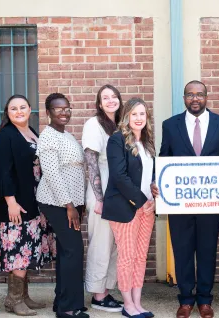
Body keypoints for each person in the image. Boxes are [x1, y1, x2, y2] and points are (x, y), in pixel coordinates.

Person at [151, 80, 219, 318]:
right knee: (181, 251)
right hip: (179, 202)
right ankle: (185, 300)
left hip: (210, 203)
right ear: (184, 98)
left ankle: (204, 299)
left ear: (206, 97)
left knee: (206, 250)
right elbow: (164, 157)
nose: (195, 99)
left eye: (199, 95)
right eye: (190, 95)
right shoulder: (170, 125)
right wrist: (156, 181)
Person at [0, 95, 55, 316]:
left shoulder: (33, 133)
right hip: (15, 204)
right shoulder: (5, 136)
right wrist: (11, 202)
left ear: (30, 109)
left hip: (32, 201)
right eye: (13, 108)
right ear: (7, 113)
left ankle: (24, 297)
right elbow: (3, 172)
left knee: (26, 250)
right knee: (18, 251)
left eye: (22, 107)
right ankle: (13, 300)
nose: (18, 111)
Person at [36, 93, 88, 318]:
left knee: (70, 252)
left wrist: (79, 203)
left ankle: (64, 301)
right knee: (72, 251)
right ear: (48, 112)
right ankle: (67, 308)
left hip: (71, 202)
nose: (64, 112)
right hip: (57, 202)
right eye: (58, 109)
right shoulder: (48, 137)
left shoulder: (65, 134)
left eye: (67, 108)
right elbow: (52, 174)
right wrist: (69, 205)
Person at [102, 98, 156, 318]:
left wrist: (153, 187)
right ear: (126, 116)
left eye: (142, 114)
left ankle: (137, 302)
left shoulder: (148, 142)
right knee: (127, 256)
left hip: (148, 208)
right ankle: (127, 304)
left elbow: (149, 173)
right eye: (134, 114)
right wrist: (142, 201)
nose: (139, 118)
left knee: (140, 256)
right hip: (126, 208)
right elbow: (119, 176)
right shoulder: (117, 140)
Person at [82, 84, 124, 312]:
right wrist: (99, 198)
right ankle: (98, 295)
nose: (110, 101)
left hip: (118, 190)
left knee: (115, 244)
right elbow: (91, 161)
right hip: (103, 190)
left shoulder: (120, 125)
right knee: (100, 243)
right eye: (105, 98)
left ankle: (107, 291)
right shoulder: (94, 124)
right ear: (99, 103)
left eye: (114, 96)